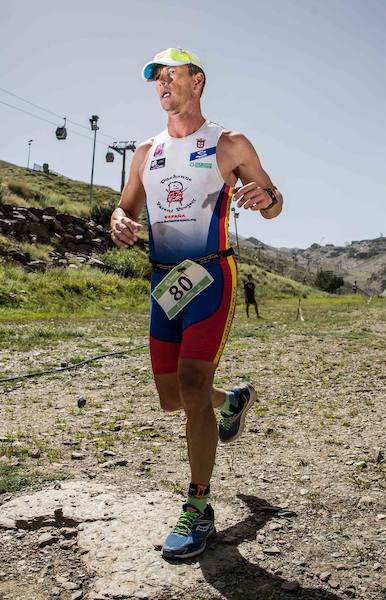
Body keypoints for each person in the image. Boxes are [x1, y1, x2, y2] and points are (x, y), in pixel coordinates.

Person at [109, 48, 283, 559]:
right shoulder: (147, 150)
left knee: (190, 383)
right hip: (165, 281)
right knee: (173, 397)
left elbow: (275, 203)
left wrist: (265, 199)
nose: (162, 84)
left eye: (171, 75)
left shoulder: (229, 144)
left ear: (197, 80)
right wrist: (118, 222)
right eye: (155, 79)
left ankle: (199, 507)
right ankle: (231, 402)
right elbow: (125, 207)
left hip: (212, 272)